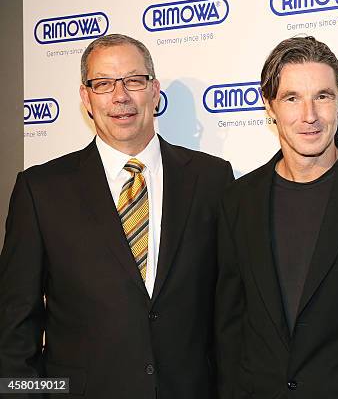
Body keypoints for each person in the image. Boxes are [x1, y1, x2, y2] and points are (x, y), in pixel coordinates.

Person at [0, 34, 233, 398]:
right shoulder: (40, 190)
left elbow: (230, 307)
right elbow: (14, 329)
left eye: (134, 81)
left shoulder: (212, 178)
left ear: (154, 92)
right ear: (86, 98)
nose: (120, 96)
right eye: (104, 84)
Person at [215, 36, 338, 398]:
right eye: (292, 98)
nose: (309, 115)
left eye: (322, 96)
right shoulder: (238, 200)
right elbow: (229, 325)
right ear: (269, 106)